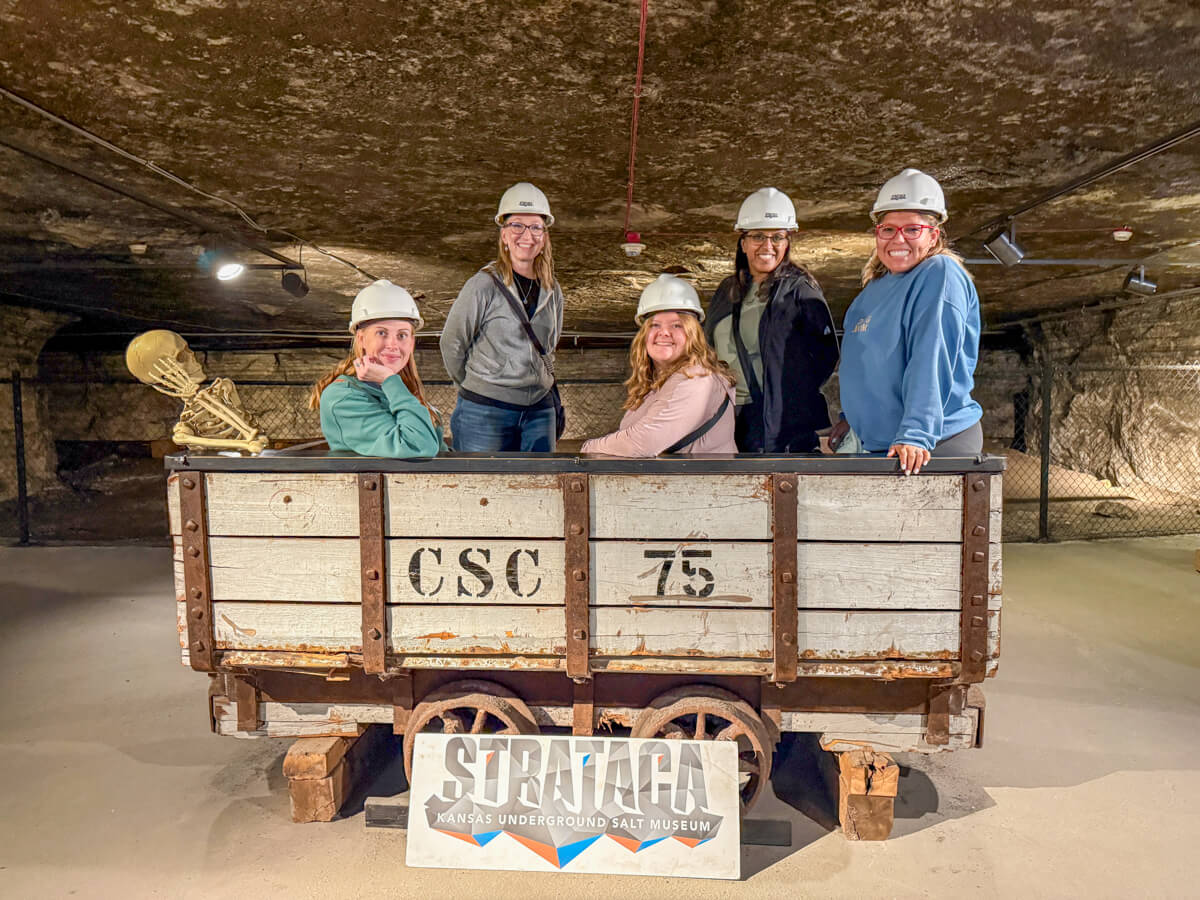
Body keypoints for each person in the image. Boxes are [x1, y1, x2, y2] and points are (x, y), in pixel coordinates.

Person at [831, 168, 983, 474]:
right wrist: (851, 418)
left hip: (928, 447)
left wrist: (916, 433)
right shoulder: (870, 292)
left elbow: (931, 357)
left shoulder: (938, 274)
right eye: (888, 229)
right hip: (882, 445)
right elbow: (862, 364)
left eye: (912, 229)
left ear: (933, 235)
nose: (898, 239)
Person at [705, 187, 839, 453]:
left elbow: (825, 355)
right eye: (757, 236)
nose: (767, 246)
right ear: (743, 243)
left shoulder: (800, 291)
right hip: (728, 417)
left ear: (787, 242)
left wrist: (788, 396)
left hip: (780, 427)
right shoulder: (726, 291)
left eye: (777, 237)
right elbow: (706, 347)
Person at [440, 182, 564, 452]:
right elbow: (452, 342)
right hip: (485, 410)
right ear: (504, 235)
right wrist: (479, 386)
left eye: (535, 227)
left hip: (539, 409)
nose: (527, 235)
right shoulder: (482, 285)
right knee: (483, 479)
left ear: (544, 237)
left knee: (542, 478)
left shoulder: (552, 290)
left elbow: (550, 344)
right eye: (517, 225)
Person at [582, 274, 735, 456]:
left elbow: (643, 442)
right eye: (655, 325)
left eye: (676, 325)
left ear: (692, 334)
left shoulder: (697, 378)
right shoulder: (658, 384)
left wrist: (588, 448)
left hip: (702, 475)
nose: (664, 332)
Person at [310, 279, 445, 457]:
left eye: (402, 335)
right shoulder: (342, 397)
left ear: (412, 342)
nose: (393, 345)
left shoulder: (398, 389)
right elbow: (417, 446)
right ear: (361, 339)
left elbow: (439, 452)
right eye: (382, 333)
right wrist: (390, 381)